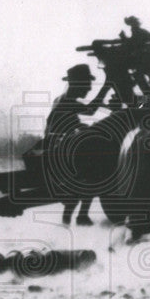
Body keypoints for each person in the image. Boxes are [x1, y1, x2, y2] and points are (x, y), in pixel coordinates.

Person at [44, 63, 110, 225]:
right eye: (87, 84)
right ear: (77, 84)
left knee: (87, 178)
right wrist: (107, 86)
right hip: (60, 152)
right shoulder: (66, 102)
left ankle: (77, 217)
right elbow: (90, 111)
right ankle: (79, 216)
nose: (88, 89)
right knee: (94, 172)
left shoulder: (62, 100)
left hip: (58, 149)